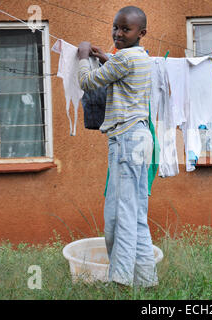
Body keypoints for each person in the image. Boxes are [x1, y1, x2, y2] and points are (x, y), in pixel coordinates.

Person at [77, 6, 158, 288]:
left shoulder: (123, 58)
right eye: (115, 27)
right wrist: (106, 56)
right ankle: (147, 280)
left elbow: (87, 82)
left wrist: (84, 56)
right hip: (140, 138)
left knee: (119, 215)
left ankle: (120, 281)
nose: (118, 33)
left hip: (125, 140)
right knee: (135, 215)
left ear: (142, 33)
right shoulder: (142, 57)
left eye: (126, 29)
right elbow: (121, 68)